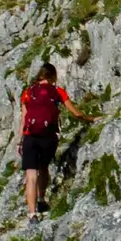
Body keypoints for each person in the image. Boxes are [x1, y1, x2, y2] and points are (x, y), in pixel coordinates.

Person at [14, 63, 96, 223]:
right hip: (48, 138)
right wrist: (90, 118)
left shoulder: (28, 92)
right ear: (52, 76)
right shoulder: (58, 91)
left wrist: (19, 141)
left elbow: (24, 119)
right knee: (43, 167)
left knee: (31, 175)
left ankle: (32, 214)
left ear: (40, 75)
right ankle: (42, 200)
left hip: (30, 137)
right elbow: (75, 113)